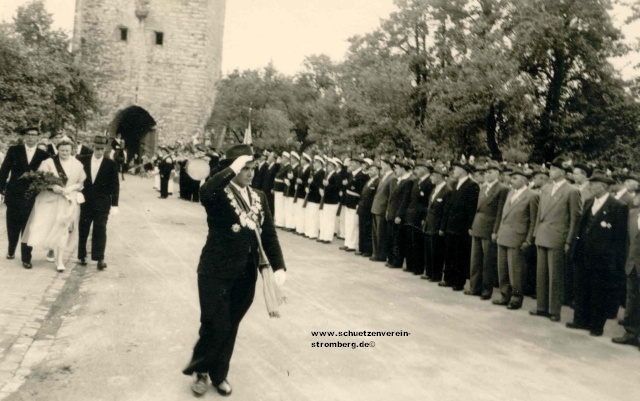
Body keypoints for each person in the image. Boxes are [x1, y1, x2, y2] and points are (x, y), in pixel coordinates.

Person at [182, 144, 286, 397]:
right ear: (233, 168)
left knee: (230, 325)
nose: (250, 174)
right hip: (215, 269)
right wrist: (232, 168)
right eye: (244, 168)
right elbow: (205, 191)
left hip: (245, 272)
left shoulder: (259, 197)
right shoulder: (218, 193)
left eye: (252, 168)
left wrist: (279, 265)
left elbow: (268, 234)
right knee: (214, 323)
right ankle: (202, 372)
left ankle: (219, 374)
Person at [568, 170, 628, 336]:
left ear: (603, 187)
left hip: (602, 258)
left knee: (598, 291)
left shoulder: (617, 206)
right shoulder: (588, 202)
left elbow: (620, 238)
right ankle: (580, 320)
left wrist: (614, 262)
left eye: (593, 184)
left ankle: (596, 325)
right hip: (583, 253)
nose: (591, 186)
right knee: (581, 288)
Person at [22, 137, 86, 272]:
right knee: (49, 225)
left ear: (72, 150)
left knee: (63, 228)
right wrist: (52, 186)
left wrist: (71, 188)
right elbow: (40, 180)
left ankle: (60, 260)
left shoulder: (77, 164)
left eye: (67, 150)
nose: (65, 153)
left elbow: (81, 183)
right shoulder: (49, 163)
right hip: (50, 200)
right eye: (62, 150)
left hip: (67, 200)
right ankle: (51, 249)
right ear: (58, 150)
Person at [531, 157, 581, 322]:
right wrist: (536, 233)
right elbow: (539, 214)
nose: (550, 172)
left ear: (562, 172)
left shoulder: (571, 191)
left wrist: (569, 240)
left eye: (553, 169)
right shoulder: (546, 189)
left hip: (558, 236)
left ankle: (554, 310)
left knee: (555, 276)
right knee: (541, 273)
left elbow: (575, 218)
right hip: (543, 234)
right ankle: (541, 307)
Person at [0, 127, 50, 268]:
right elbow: (4, 170)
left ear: (38, 137)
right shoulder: (14, 150)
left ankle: (26, 258)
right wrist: (0, 190)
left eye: (34, 135)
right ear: (24, 137)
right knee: (12, 224)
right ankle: (11, 249)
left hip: (31, 195)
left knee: (28, 227)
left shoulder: (43, 155)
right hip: (13, 194)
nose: (30, 137)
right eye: (28, 135)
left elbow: (46, 176)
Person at [495, 167, 539, 309]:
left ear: (524, 180)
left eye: (515, 178)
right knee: (503, 268)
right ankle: (504, 295)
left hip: (517, 237)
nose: (511, 181)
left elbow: (533, 221)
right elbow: (503, 215)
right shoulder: (510, 193)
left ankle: (516, 298)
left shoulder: (531, 195)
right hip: (504, 235)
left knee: (516, 270)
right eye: (511, 178)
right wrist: (498, 231)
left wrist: (528, 240)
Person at [468, 160, 509, 299]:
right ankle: (475, 287)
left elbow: (499, 212)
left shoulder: (502, 189)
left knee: (487, 262)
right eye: (485, 172)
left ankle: (486, 290)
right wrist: (472, 225)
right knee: (475, 260)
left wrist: (495, 231)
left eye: (490, 172)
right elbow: (476, 208)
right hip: (478, 225)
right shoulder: (483, 187)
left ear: (497, 173)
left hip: (489, 227)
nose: (487, 175)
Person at [77, 136, 120, 270]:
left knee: (100, 229)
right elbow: (75, 177)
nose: (99, 151)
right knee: (83, 228)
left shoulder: (111, 164)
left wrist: (115, 204)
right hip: (85, 201)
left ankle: (99, 258)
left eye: (102, 149)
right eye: (97, 148)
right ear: (92, 147)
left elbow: (115, 185)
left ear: (105, 149)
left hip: (102, 203)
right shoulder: (82, 160)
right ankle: (82, 255)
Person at [441, 161, 480, 291]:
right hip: (452, 225)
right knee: (450, 253)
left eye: (456, 169)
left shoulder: (472, 185)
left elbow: (471, 208)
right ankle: (449, 278)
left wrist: (469, 226)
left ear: (463, 171)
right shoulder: (455, 184)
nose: (454, 172)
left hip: (461, 226)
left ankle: (458, 281)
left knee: (460, 254)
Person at [613, 190, 640, 349]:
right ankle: (630, 333)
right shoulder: (632, 214)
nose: (635, 198)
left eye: (638, 195)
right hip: (632, 265)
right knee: (632, 300)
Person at [422, 164, 452, 282]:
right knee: (429, 249)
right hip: (430, 223)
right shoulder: (435, 189)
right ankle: (429, 272)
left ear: (439, 176)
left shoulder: (447, 190)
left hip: (437, 225)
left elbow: (446, 212)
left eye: (433, 175)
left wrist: (442, 228)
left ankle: (436, 275)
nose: (431, 178)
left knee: (437, 251)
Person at [404, 159, 434, 275]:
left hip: (420, 216)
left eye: (418, 168)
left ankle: (418, 267)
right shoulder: (416, 181)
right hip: (411, 215)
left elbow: (427, 203)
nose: (415, 171)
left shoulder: (429, 183)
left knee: (418, 243)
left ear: (425, 169)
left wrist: (423, 218)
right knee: (411, 242)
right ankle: (411, 265)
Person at [385, 160, 415, 269]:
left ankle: (396, 261)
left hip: (398, 214)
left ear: (403, 168)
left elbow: (404, 200)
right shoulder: (396, 180)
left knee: (398, 238)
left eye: (397, 168)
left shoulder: (408, 181)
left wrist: (399, 215)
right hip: (392, 212)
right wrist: (388, 210)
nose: (395, 170)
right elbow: (391, 198)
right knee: (391, 237)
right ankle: (391, 259)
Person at [370, 156, 395, 262]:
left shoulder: (392, 177)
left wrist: (387, 210)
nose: (381, 166)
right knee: (376, 232)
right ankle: (376, 253)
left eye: (383, 164)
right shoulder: (384, 176)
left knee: (381, 233)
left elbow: (390, 196)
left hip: (382, 208)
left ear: (388, 165)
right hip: (377, 207)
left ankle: (381, 255)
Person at [341, 158, 369, 252]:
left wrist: (358, 204)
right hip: (349, 201)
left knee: (353, 224)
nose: (350, 164)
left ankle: (352, 244)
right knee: (348, 223)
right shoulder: (352, 174)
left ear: (358, 164)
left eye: (352, 163)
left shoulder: (362, 176)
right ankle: (347, 243)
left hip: (355, 202)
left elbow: (361, 192)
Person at [356, 159, 379, 258]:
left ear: (377, 171)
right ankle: (362, 248)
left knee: (368, 230)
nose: (370, 172)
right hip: (362, 208)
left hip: (369, 209)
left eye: (372, 170)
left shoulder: (378, 182)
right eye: (369, 170)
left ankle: (368, 250)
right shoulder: (369, 181)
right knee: (362, 229)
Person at [318, 158, 341, 244]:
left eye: (329, 165)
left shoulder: (336, 175)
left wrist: (328, 185)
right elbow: (322, 184)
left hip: (332, 201)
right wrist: (321, 189)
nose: (327, 167)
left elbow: (337, 187)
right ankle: (323, 235)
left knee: (329, 219)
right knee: (324, 218)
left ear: (333, 166)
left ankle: (327, 237)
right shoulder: (327, 175)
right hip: (325, 199)